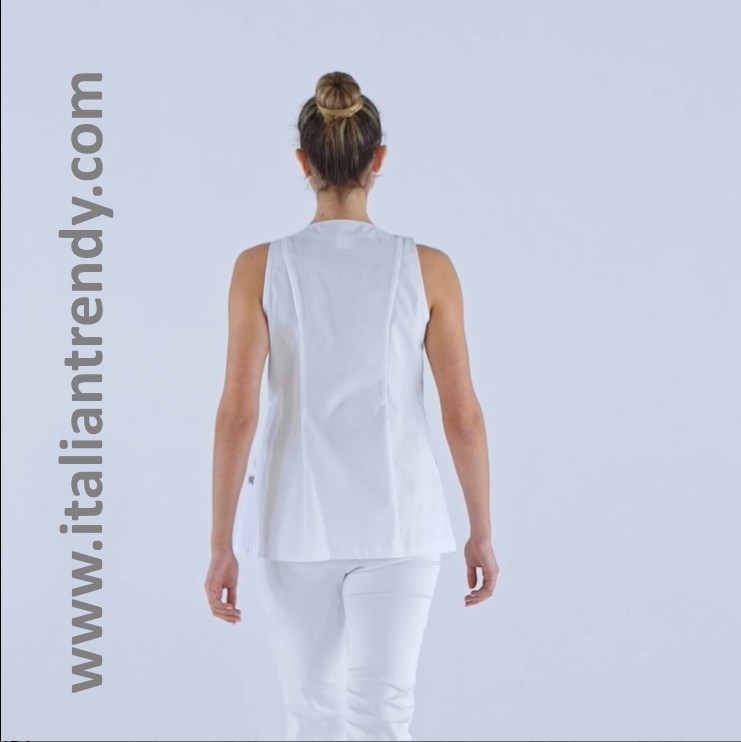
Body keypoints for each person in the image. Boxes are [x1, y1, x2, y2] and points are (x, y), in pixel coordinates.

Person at [205, 70, 500, 742]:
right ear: (379, 159)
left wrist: (221, 544)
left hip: (292, 521)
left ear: (302, 162)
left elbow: (237, 414)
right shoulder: (429, 267)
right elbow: (463, 414)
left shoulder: (259, 267)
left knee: (311, 715)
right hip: (400, 522)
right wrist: (479, 531)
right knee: (384, 717)